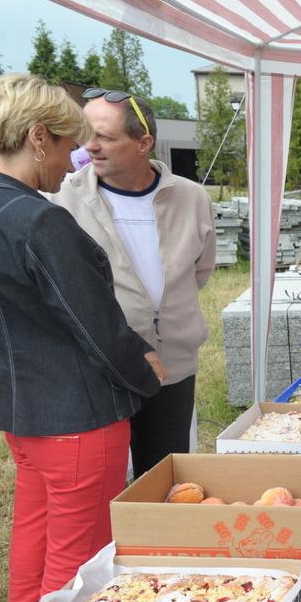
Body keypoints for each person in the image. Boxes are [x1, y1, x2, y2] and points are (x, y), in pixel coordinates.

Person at [0, 74, 162, 602]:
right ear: (38, 137)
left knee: (34, 540)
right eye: (69, 147)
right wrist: (145, 370)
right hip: (78, 419)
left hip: (22, 413)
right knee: (77, 567)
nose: (73, 165)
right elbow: (95, 326)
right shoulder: (39, 220)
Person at [51, 89, 214, 476]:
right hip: (99, 372)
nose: (90, 146)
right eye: (85, 135)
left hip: (172, 368)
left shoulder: (191, 198)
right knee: (102, 485)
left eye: (104, 137)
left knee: (163, 478)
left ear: (144, 143)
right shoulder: (62, 199)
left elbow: (200, 270)